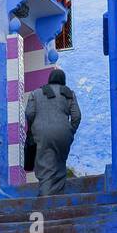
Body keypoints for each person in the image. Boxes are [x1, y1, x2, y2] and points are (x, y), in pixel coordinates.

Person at [24, 68, 82, 196]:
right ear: (63, 80)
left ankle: (46, 198)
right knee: (59, 164)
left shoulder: (36, 93)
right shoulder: (69, 94)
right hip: (63, 134)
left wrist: (35, 128)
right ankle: (57, 196)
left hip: (42, 133)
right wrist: (70, 131)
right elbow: (76, 116)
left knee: (45, 167)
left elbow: (29, 114)